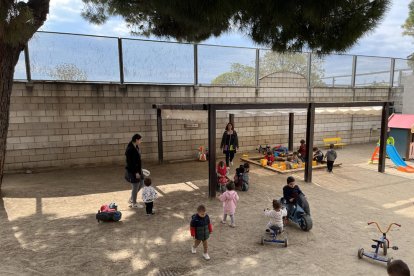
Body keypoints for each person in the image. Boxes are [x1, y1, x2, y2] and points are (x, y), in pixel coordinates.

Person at [125, 133, 144, 208]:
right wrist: (136, 172)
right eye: (140, 140)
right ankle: (134, 203)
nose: (141, 141)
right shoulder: (130, 149)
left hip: (138, 169)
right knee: (135, 186)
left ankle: (132, 199)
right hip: (133, 171)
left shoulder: (136, 146)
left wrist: (140, 170)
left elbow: (137, 160)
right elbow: (131, 163)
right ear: (136, 140)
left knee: (141, 183)